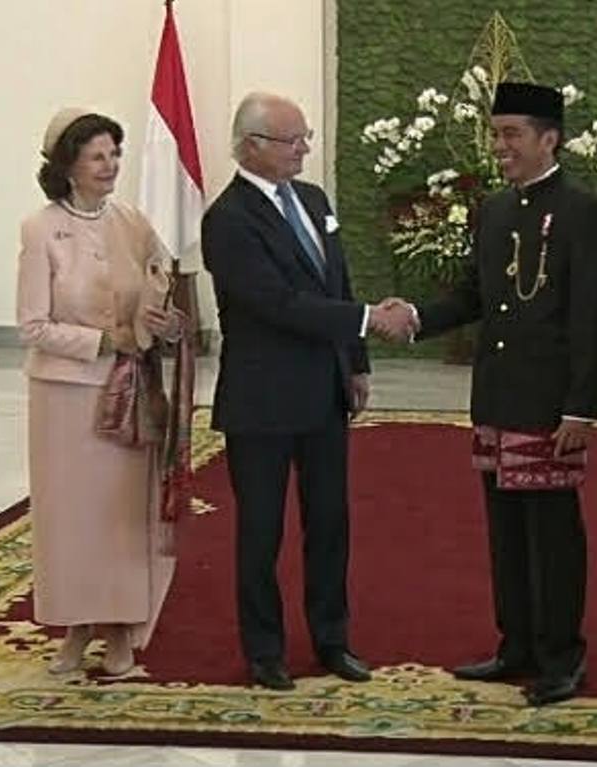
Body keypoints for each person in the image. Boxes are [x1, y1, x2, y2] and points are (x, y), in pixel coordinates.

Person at [383, 82, 597, 706]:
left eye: (512, 134)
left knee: (554, 534)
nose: (500, 146)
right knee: (505, 530)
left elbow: (592, 316)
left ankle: (563, 656)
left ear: (550, 138)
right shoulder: (493, 210)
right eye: (496, 134)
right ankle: (516, 646)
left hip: (550, 404)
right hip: (496, 397)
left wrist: (581, 407)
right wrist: (416, 317)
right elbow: (471, 297)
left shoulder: (583, 211)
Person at [202, 92, 410, 691]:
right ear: (252, 146)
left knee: (330, 522)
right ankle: (264, 651)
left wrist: (358, 362)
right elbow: (277, 305)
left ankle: (332, 638)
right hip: (262, 401)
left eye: (305, 137)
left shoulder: (314, 201)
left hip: (323, 392)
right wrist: (370, 319)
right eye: (293, 140)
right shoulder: (228, 219)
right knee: (261, 531)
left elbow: (336, 281)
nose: (304, 149)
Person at [17, 108, 185, 676]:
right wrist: (103, 340)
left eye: (115, 154)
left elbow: (168, 292)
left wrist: (167, 326)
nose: (110, 165)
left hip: (129, 392)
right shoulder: (40, 229)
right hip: (65, 399)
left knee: (120, 516)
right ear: (68, 165)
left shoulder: (133, 222)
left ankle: (119, 630)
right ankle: (76, 625)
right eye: (97, 156)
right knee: (73, 519)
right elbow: (32, 326)